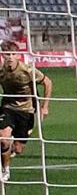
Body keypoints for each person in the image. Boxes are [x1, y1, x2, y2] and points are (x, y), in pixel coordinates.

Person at [0, 41, 51, 183]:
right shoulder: (1, 69)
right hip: (8, 107)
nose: (9, 57)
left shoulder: (27, 70)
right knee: (3, 139)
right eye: (6, 54)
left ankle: (9, 151)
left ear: (18, 55)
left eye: (12, 54)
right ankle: (5, 169)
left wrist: (44, 106)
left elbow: (48, 82)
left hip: (26, 110)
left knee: (18, 148)